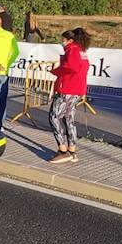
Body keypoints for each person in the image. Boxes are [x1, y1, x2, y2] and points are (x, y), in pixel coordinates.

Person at [48, 28, 91, 164]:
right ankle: (72, 150)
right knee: (69, 119)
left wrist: (56, 71)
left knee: (54, 117)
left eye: (63, 40)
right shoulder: (82, 50)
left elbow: (71, 67)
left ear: (70, 40)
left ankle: (62, 150)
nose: (62, 43)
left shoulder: (72, 50)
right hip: (78, 89)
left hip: (68, 88)